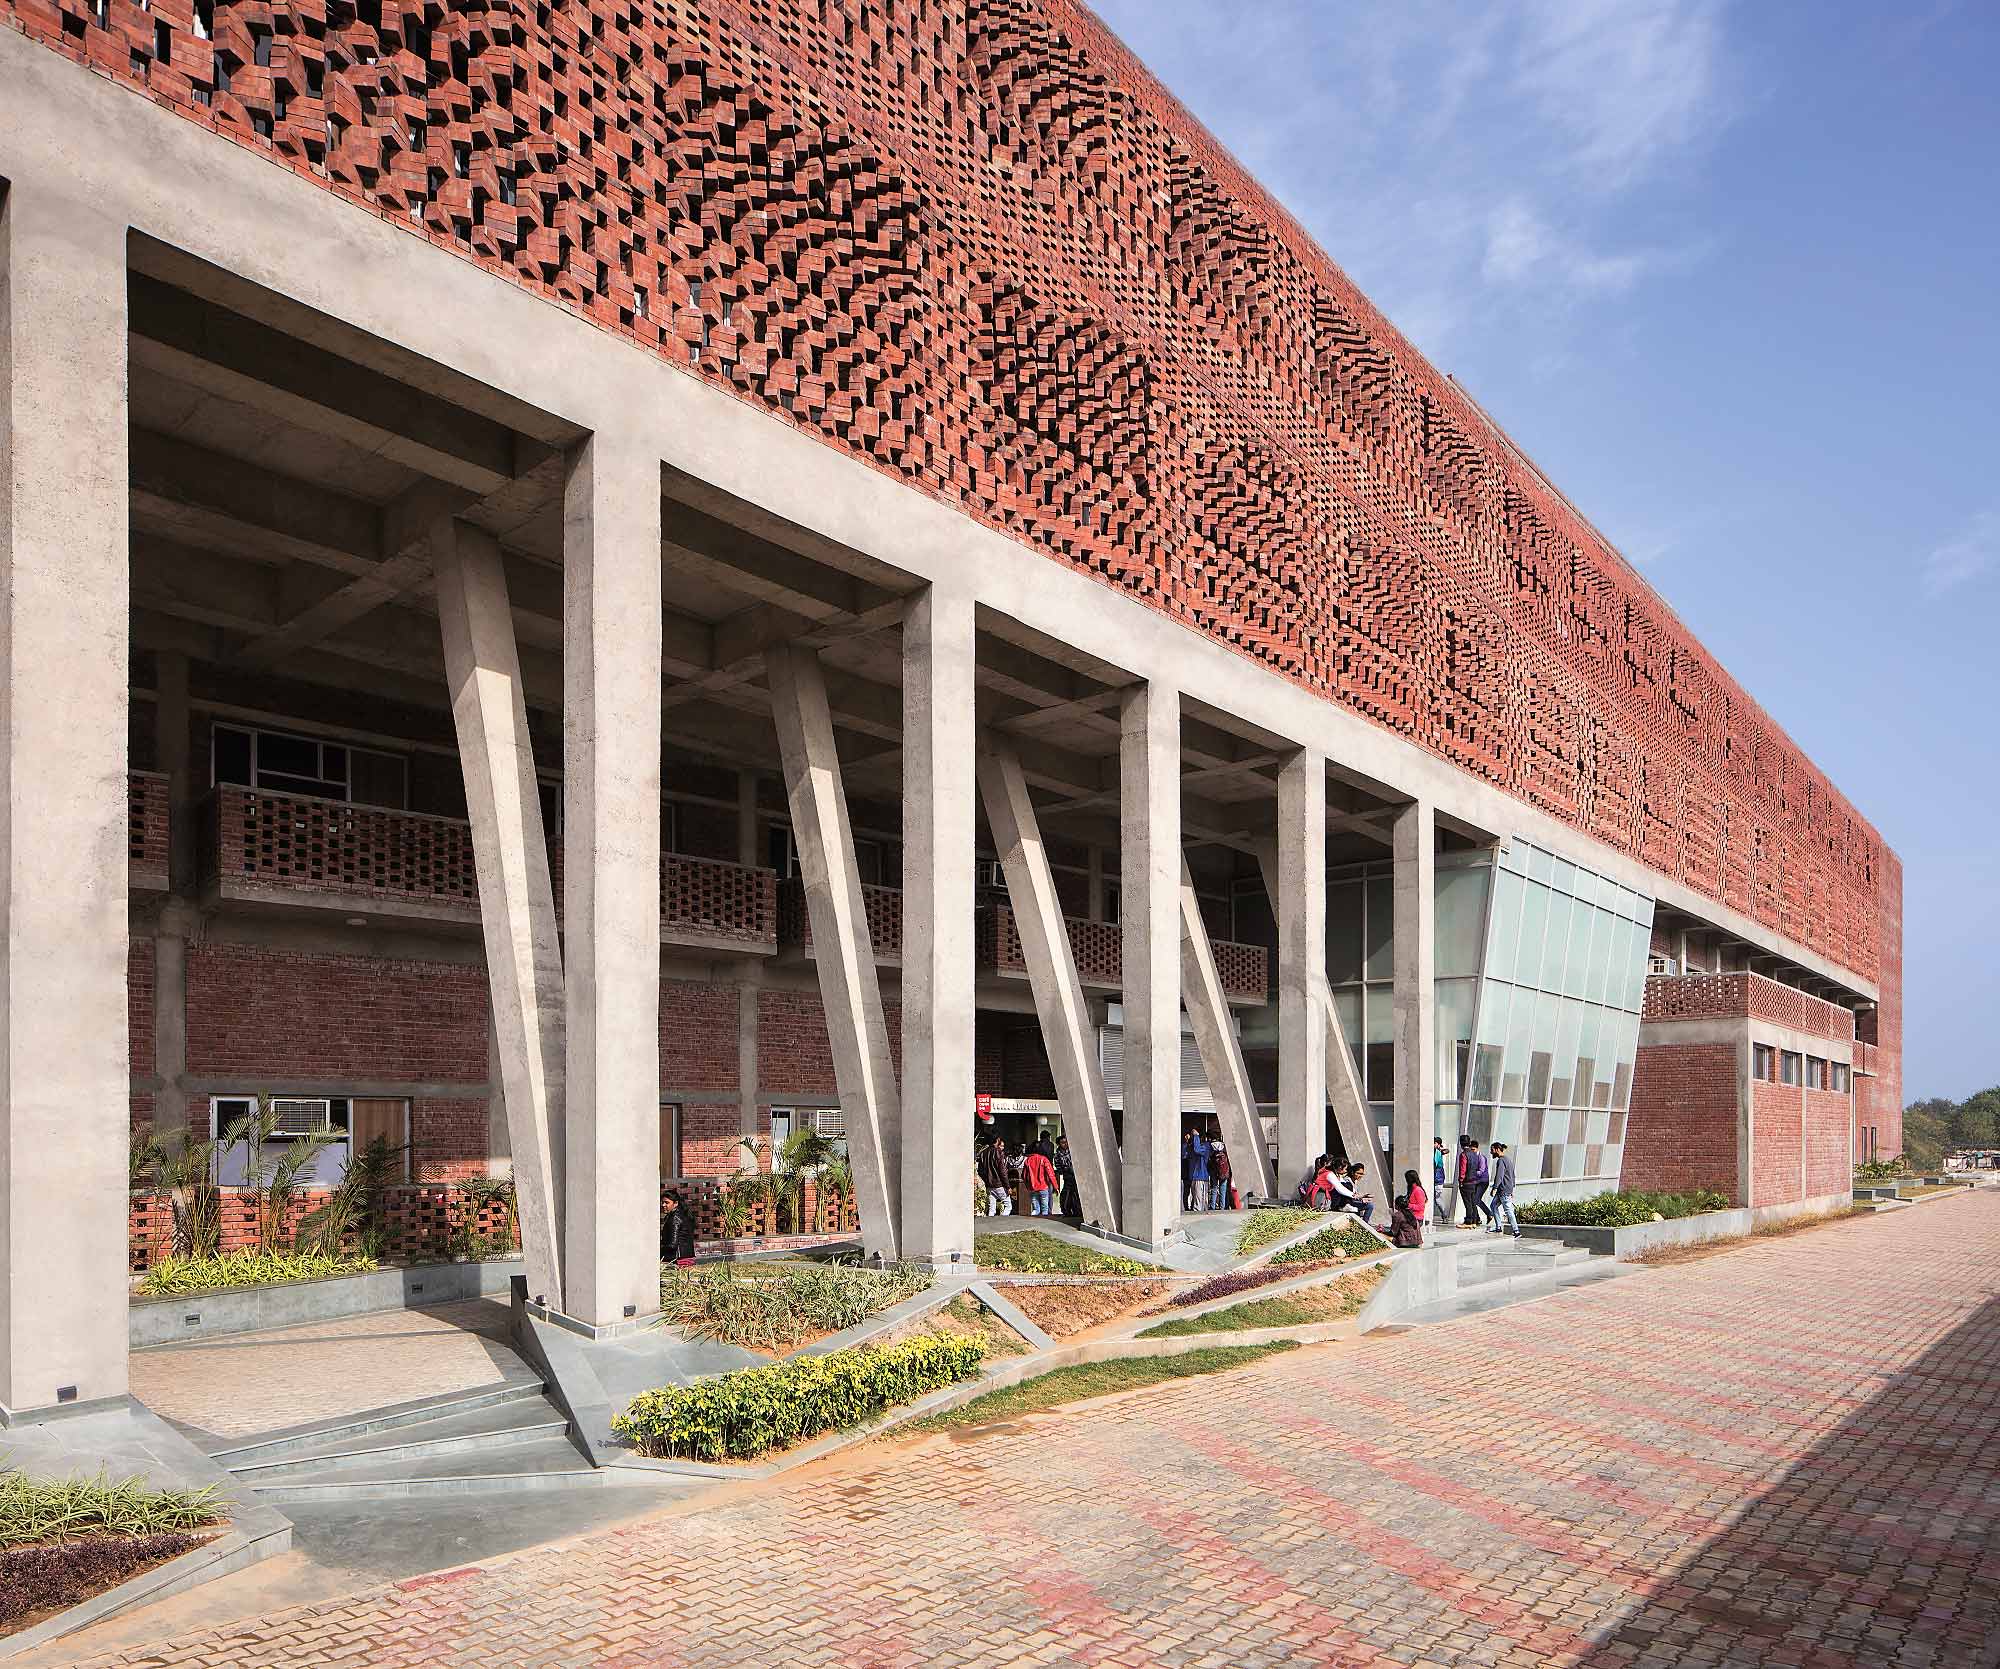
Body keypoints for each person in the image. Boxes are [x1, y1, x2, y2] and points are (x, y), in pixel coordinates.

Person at [1487, 1141, 1519, 1238]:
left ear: (1497, 1149)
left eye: (1492, 1150)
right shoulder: (1508, 1159)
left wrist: (1494, 1188)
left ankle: (1516, 1231)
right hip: (1505, 1189)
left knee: (1508, 1210)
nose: (1491, 1152)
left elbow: (1499, 1176)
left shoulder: (1501, 1161)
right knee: (1493, 1206)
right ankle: (1498, 1227)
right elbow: (1512, 1175)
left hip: (1503, 1190)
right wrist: (1512, 1189)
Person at [1458, 1134, 1489, 1228]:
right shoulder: (1475, 1154)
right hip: (1474, 1182)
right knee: (1472, 1202)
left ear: (1461, 1143)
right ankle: (1474, 1221)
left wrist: (1461, 1181)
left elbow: (1463, 1169)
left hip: (1466, 1182)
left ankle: (1468, 1222)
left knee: (1468, 1203)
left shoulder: (1463, 1155)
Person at [660, 1191, 697, 1265]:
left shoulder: (675, 1218)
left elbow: (673, 1244)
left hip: (677, 1259)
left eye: (667, 1203)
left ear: (676, 1203)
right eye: (662, 1202)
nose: (663, 1205)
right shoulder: (684, 1214)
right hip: (687, 1257)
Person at [979, 1140, 1013, 1216]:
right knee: (1008, 1206)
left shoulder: (983, 1152)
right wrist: (1008, 1187)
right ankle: (1003, 1221)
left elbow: (980, 1171)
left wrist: (986, 1181)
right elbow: (1002, 1172)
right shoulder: (998, 1152)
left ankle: (990, 1222)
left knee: (992, 1209)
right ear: (997, 1141)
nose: (1002, 1148)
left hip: (989, 1185)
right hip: (998, 1185)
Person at [1024, 1142, 1058, 1216]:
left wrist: (1027, 1186)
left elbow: (1024, 1176)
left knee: (1035, 1209)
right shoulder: (1044, 1159)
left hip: (1032, 1188)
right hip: (1043, 1187)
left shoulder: (1027, 1160)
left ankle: (1032, 1221)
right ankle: (1043, 1222)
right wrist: (1055, 1187)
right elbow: (1051, 1174)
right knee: (1045, 1210)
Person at [1056, 1135, 1081, 1218]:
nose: (1065, 1144)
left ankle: (1077, 1210)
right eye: (1062, 1142)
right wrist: (1066, 1170)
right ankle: (1066, 1210)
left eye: (1066, 1142)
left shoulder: (1072, 1150)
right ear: (1059, 1144)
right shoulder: (1058, 1154)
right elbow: (1059, 1167)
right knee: (1066, 1193)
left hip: (1076, 1175)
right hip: (1068, 1176)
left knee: (1076, 1193)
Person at [1186, 1127, 1211, 1212]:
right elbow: (1187, 1153)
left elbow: (1197, 1150)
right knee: (1196, 1200)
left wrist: (1196, 1136)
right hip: (1194, 1176)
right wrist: (1188, 1141)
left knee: (1200, 1202)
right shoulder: (1193, 1146)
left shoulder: (1206, 1146)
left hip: (1201, 1177)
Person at [1403, 1168, 1427, 1240]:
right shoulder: (1412, 1189)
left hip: (1417, 1218)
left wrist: (1408, 1205)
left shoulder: (1418, 1190)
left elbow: (1421, 1207)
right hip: (1411, 1216)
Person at [1210, 1137, 1232, 1211]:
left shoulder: (1212, 1151)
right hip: (1224, 1174)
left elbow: (1210, 1164)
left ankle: (1212, 1207)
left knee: (1214, 1189)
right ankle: (1222, 1207)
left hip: (1214, 1173)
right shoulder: (1225, 1150)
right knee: (1223, 1191)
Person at [1432, 1137, 1449, 1224]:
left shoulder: (1437, 1152)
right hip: (1434, 1178)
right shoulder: (1435, 1152)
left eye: (1434, 1143)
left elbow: (1435, 1165)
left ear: (1438, 1144)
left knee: (1438, 1199)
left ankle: (1444, 1215)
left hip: (1437, 1179)